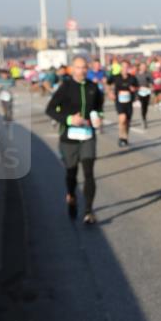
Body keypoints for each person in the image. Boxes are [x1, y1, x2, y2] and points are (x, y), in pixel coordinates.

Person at [45, 55, 104, 224]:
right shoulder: (66, 87)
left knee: (89, 173)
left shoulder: (93, 87)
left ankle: (88, 211)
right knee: (71, 173)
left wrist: (98, 117)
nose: (82, 70)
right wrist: (70, 119)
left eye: (85, 67)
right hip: (68, 137)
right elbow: (50, 110)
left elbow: (98, 107)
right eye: (78, 67)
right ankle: (71, 195)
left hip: (88, 136)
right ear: (72, 69)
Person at [109, 63, 139, 147]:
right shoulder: (116, 77)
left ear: (129, 68)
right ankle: (121, 137)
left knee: (127, 122)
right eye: (123, 67)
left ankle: (125, 137)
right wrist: (110, 92)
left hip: (129, 102)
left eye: (126, 67)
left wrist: (134, 89)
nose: (125, 69)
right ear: (121, 68)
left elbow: (137, 87)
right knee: (122, 119)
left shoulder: (132, 78)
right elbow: (108, 83)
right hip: (119, 102)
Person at [135, 62, 153, 129]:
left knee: (145, 107)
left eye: (144, 66)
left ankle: (144, 117)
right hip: (139, 92)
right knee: (142, 105)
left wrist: (151, 87)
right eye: (142, 66)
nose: (143, 68)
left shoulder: (148, 74)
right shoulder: (136, 75)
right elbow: (134, 84)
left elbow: (151, 82)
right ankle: (143, 119)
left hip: (147, 92)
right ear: (139, 67)